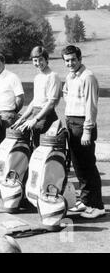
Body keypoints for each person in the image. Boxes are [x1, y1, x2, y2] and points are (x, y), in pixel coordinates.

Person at [61, 45, 105, 219]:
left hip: (82, 124)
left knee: (88, 167)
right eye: (67, 60)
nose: (70, 63)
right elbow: (65, 92)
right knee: (78, 166)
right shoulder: (70, 76)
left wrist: (87, 130)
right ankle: (86, 201)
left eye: (73, 59)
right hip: (71, 122)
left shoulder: (88, 77)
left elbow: (91, 106)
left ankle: (97, 206)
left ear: (80, 59)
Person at [13, 46, 61, 147]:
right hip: (36, 114)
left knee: (37, 145)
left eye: (41, 60)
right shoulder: (38, 77)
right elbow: (35, 101)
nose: (38, 63)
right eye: (35, 60)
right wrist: (22, 119)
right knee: (22, 135)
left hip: (46, 116)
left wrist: (35, 120)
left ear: (47, 60)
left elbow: (51, 103)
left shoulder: (52, 76)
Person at [0, 52, 24, 141]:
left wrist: (12, 112)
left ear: (3, 63)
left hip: (9, 117)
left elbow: (20, 98)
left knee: (8, 143)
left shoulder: (12, 77)